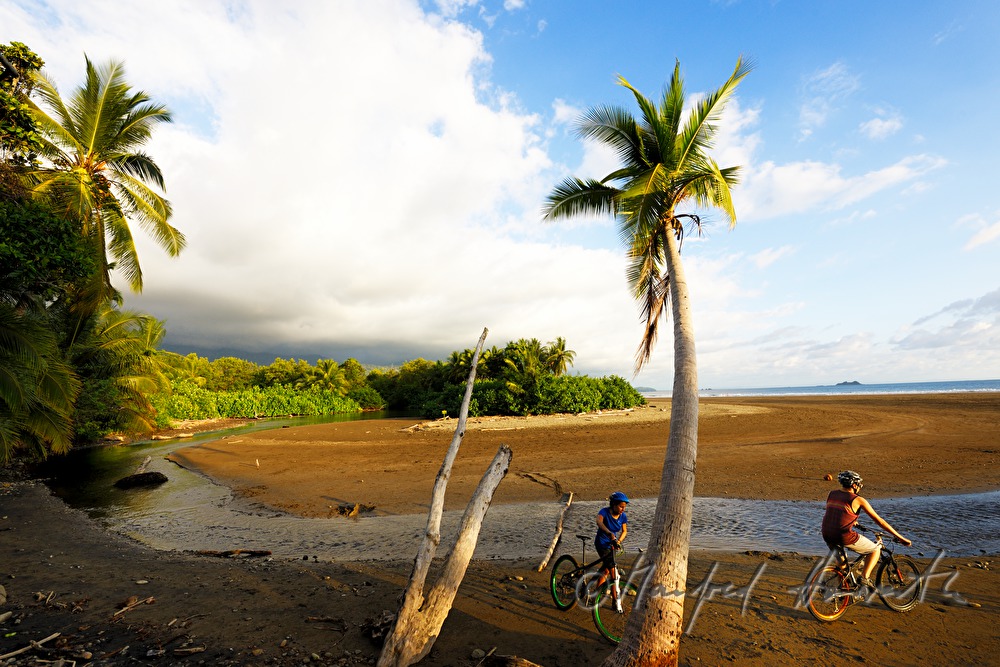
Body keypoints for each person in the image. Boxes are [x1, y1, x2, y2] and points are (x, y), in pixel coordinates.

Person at [821, 470, 912, 590]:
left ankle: (843, 591)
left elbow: (837, 512)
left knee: (843, 565)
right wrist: (900, 537)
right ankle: (865, 577)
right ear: (854, 485)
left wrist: (853, 521)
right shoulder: (858, 500)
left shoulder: (831, 494)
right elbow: (880, 521)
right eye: (858, 484)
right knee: (875, 550)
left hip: (826, 533)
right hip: (843, 535)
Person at [593, 491, 629, 612]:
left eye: (624, 507)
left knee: (607, 569)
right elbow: (599, 521)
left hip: (612, 545)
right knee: (614, 573)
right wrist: (609, 534)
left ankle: (595, 594)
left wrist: (618, 541)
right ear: (613, 504)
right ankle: (615, 601)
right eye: (620, 506)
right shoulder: (604, 512)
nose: (623, 509)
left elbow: (624, 531)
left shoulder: (623, 516)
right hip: (602, 544)